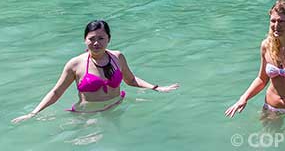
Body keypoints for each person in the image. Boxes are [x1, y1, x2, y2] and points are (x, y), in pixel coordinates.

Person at [11, 20, 179, 123]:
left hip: (117, 108)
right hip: (88, 116)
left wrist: (156, 88)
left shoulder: (117, 57)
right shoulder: (75, 64)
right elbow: (56, 92)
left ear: (109, 39)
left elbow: (131, 80)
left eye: (101, 38)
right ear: (85, 40)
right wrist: (33, 114)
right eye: (92, 38)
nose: (96, 43)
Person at [225, 0, 285, 132]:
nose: (276, 25)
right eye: (273, 21)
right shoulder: (266, 46)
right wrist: (243, 98)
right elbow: (262, 79)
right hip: (271, 107)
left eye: (281, 21)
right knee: (267, 146)